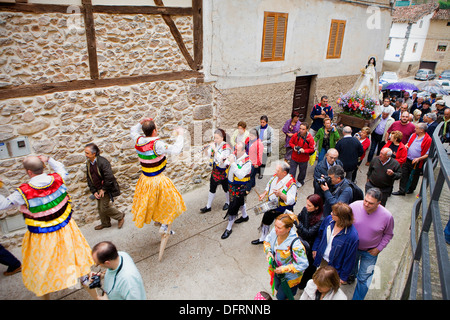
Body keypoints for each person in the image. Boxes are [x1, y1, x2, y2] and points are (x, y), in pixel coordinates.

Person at [0, 155, 94, 299]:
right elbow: (61, 168)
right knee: (78, 261)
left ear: (29, 172)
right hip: (67, 229)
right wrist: (49, 159)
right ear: (42, 166)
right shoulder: (58, 179)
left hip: (43, 236)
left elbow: (3, 205)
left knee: (43, 268)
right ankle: (95, 294)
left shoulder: (23, 192)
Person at [130, 117, 186, 255]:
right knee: (170, 203)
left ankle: (160, 222)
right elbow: (176, 150)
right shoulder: (157, 145)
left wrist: (141, 121)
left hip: (145, 179)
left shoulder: (138, 140)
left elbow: (133, 130)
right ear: (154, 131)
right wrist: (180, 135)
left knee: (153, 203)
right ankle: (165, 225)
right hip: (157, 180)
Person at [350, 188, 394, 300]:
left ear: (379, 203)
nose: (366, 204)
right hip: (352, 248)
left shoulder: (387, 216)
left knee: (364, 279)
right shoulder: (354, 206)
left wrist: (378, 249)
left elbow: (388, 234)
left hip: (370, 252)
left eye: (371, 203)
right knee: (351, 268)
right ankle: (351, 276)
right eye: (365, 200)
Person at [264, 213, 309, 300]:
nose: (275, 229)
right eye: (275, 226)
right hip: (277, 270)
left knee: (283, 297)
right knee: (277, 288)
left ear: (288, 229)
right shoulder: (275, 232)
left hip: (290, 278)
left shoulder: (296, 245)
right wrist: (268, 251)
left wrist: (284, 269)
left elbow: (303, 264)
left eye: (279, 228)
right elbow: (267, 240)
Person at [311, 202, 359, 284]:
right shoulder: (329, 220)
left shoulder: (352, 236)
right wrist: (315, 248)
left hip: (335, 267)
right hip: (323, 260)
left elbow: (349, 259)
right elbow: (320, 234)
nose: (331, 213)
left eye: (334, 213)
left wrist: (343, 277)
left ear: (341, 218)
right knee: (318, 282)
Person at [252, 162, 297, 245]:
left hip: (282, 209)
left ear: (284, 173)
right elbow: (269, 185)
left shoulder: (291, 184)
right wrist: (264, 193)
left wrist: (281, 194)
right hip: (271, 204)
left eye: (278, 170)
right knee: (266, 221)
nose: (275, 171)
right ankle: (263, 238)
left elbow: (291, 200)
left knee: (281, 226)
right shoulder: (275, 176)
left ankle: (279, 242)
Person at [85, 143, 125, 231]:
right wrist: (94, 191)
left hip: (107, 187)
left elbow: (109, 176)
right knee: (100, 207)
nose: (86, 155)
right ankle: (105, 223)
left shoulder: (103, 162)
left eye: (87, 153)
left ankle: (120, 216)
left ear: (94, 153)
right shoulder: (89, 163)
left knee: (104, 207)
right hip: (98, 188)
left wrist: (103, 189)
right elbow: (89, 178)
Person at [221, 142, 252, 239]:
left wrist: (233, 162)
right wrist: (224, 161)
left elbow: (240, 174)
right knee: (240, 202)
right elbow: (225, 165)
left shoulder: (247, 162)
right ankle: (244, 216)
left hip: (240, 186)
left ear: (243, 150)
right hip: (231, 185)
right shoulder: (234, 156)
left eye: (237, 150)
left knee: (233, 207)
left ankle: (229, 228)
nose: (234, 151)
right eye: (235, 149)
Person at [392, 123, 432, 196]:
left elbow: (427, 153)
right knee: (404, 174)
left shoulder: (428, 139)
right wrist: (405, 147)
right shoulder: (413, 135)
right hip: (407, 158)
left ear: (421, 130)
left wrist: (419, 158)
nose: (415, 129)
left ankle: (411, 189)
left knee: (414, 176)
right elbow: (408, 143)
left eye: (416, 128)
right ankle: (402, 190)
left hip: (416, 162)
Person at [295, 194, 324, 289]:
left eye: (309, 205)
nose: (306, 207)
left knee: (308, 268)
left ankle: (303, 284)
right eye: (306, 204)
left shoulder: (320, 219)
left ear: (316, 208)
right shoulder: (305, 210)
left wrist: (298, 225)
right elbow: (299, 217)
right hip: (301, 241)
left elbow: (308, 233)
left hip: (311, 247)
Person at [200, 128, 231, 213]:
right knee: (212, 187)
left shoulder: (226, 147)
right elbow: (209, 155)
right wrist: (206, 150)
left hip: (223, 171)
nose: (215, 140)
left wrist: (215, 149)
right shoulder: (215, 145)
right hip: (215, 170)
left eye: (217, 138)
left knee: (226, 188)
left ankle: (228, 202)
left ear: (222, 138)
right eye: (214, 138)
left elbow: (222, 160)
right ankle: (208, 206)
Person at [289, 122, 315, 188]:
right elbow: (290, 142)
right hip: (294, 157)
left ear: (307, 130)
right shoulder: (295, 135)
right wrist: (294, 147)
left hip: (303, 159)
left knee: (302, 172)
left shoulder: (310, 138)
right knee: (292, 171)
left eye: (303, 129)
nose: (301, 130)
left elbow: (312, 149)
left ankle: (300, 181)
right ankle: (291, 182)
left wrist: (304, 150)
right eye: (300, 128)